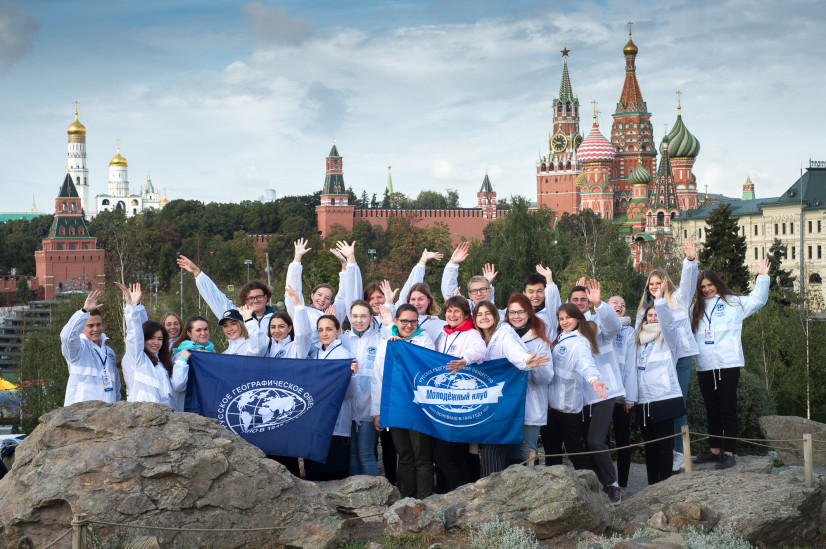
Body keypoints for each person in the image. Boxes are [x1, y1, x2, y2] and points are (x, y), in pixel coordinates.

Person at [690, 257, 770, 470]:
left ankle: (729, 452)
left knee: (728, 408)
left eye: (710, 285)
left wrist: (762, 277)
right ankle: (714, 450)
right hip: (705, 365)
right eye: (703, 287)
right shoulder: (694, 309)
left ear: (717, 283)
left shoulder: (733, 302)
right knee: (711, 409)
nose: (707, 289)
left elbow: (758, 300)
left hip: (728, 363)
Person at [635, 238, 698, 470]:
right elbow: (637, 337)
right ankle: (664, 453)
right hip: (655, 363)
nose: (654, 286)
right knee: (660, 408)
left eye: (658, 282)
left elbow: (689, 281)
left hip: (679, 358)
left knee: (677, 404)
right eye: (651, 283)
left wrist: (690, 260)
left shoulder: (679, 299)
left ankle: (679, 453)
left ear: (665, 283)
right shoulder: (644, 308)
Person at [473, 300, 549, 476]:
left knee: (496, 450)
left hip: (504, 404)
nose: (484, 317)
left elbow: (514, 352)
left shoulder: (504, 333)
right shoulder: (482, 339)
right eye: (479, 314)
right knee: (499, 452)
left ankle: (500, 492)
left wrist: (525, 360)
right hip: (491, 405)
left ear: (496, 315)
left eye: (487, 313)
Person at [372, 304, 436, 498]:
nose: (409, 325)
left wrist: (401, 346)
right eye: (404, 321)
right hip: (396, 407)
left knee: (422, 456)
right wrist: (377, 411)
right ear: (396, 321)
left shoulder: (424, 341)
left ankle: (425, 500)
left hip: (419, 408)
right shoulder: (386, 344)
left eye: (413, 321)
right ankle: (407, 499)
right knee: (405, 455)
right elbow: (378, 379)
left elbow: (428, 369)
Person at [626, 284, 684, 485]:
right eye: (649, 315)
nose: (653, 318)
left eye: (656, 315)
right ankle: (652, 485)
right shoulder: (638, 341)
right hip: (644, 401)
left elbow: (668, 324)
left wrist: (659, 302)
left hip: (663, 399)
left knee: (664, 446)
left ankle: (665, 486)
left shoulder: (669, 338)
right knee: (649, 446)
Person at [544, 304, 608, 480]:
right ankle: (553, 488)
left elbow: (585, 362)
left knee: (575, 451)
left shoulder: (579, 341)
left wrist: (594, 380)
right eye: (561, 318)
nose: (564, 321)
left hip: (567, 406)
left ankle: (593, 486)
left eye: (568, 318)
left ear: (578, 318)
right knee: (551, 451)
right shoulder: (560, 338)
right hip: (550, 405)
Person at [432, 295, 487, 490]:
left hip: (460, 402)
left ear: (465, 314)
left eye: (457, 311)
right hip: (441, 402)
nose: (452, 314)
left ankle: (461, 491)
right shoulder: (443, 334)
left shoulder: (470, 334)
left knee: (441, 455)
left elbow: (480, 351)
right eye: (449, 311)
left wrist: (465, 359)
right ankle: (454, 489)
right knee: (454, 453)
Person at [578, 280, 623, 502]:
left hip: (604, 390)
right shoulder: (566, 328)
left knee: (596, 440)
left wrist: (600, 304)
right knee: (586, 443)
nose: (579, 303)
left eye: (583, 300)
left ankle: (612, 485)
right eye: (574, 300)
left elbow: (614, 326)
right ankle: (596, 486)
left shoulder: (598, 323)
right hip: (579, 396)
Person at [177, 254, 275, 352]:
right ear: (245, 301)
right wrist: (198, 273)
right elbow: (215, 297)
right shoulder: (237, 315)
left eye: (259, 297)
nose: (255, 301)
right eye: (251, 298)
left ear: (266, 297)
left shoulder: (276, 320)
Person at [303, 314, 359, 481]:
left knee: (335, 473)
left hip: (336, 421)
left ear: (338, 330)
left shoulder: (344, 355)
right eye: (320, 330)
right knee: (315, 473)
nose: (324, 333)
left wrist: (353, 375)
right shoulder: (314, 355)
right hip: (315, 422)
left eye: (329, 329)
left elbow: (349, 394)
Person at [504, 293, 554, 464]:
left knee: (527, 452)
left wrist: (535, 366)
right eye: (512, 312)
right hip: (507, 406)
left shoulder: (540, 342)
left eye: (520, 312)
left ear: (529, 314)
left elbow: (547, 378)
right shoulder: (503, 338)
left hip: (530, 406)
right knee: (508, 454)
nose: (516, 316)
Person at [116, 282, 178, 410]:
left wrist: (138, 305)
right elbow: (135, 334)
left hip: (164, 420)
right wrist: (130, 305)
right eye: (151, 338)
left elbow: (144, 326)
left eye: (160, 339)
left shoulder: (161, 363)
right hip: (140, 420)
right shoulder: (137, 359)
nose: (156, 342)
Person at [348, 248, 443, 330]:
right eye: (371, 298)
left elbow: (411, 290)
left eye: (380, 297)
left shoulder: (396, 313)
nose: (376, 301)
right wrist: (350, 261)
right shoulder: (359, 322)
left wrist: (422, 262)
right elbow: (352, 293)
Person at [339, 299, 383, 476]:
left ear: (371, 317)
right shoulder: (343, 339)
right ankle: (356, 497)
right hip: (349, 406)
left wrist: (377, 410)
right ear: (350, 317)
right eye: (355, 316)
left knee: (366, 454)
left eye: (364, 316)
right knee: (352, 456)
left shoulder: (379, 338)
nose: (359, 320)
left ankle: (374, 494)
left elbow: (379, 376)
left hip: (369, 407)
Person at [62, 290, 121, 406]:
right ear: (82, 327)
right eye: (90, 326)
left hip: (106, 417)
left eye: (98, 324)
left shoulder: (109, 353)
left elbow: (116, 388)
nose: (96, 329)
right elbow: (66, 337)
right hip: (79, 418)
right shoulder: (78, 349)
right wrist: (84, 312)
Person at [285, 238, 349, 344]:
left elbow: (344, 295)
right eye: (319, 295)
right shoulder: (302, 311)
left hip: (327, 356)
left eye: (327, 298)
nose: (322, 299)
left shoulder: (334, 313)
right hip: (305, 357)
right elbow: (292, 291)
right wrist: (297, 259)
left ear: (330, 302)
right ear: (312, 295)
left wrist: (344, 266)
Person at [607, 295, 635, 497]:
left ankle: (623, 485)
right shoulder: (599, 326)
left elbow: (632, 367)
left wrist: (630, 397)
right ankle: (607, 483)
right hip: (600, 395)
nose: (619, 306)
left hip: (621, 395)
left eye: (623, 304)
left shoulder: (630, 332)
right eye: (615, 303)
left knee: (623, 442)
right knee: (601, 441)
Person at [170, 315, 215, 412]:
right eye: (198, 330)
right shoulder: (181, 353)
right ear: (189, 334)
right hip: (187, 407)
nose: (203, 333)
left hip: (207, 405)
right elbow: (178, 386)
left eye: (206, 329)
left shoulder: (211, 351)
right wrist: (182, 361)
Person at [441, 241, 498, 311]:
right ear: (470, 295)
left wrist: (486, 283)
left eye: (482, 289)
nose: (479, 294)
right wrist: (453, 263)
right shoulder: (466, 310)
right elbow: (450, 292)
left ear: (490, 291)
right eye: (474, 291)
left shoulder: (500, 316)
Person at [263, 286, 312, 359]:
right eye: (273, 327)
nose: (276, 331)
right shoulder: (265, 349)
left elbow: (303, 334)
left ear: (289, 328)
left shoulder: (297, 348)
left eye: (281, 326)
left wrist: (298, 305)